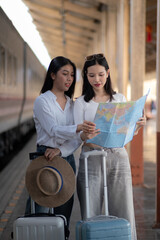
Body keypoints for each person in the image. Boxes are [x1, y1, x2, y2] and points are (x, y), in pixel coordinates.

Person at [73, 53, 146, 240]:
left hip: (118, 157)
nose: (96, 79)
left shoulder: (119, 98)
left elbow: (126, 132)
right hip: (91, 158)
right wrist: (85, 135)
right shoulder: (81, 103)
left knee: (124, 208)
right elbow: (77, 136)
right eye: (91, 75)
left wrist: (137, 125)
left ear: (108, 73)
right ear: (85, 76)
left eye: (100, 74)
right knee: (91, 209)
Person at [25, 56, 99, 231]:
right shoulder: (42, 101)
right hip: (45, 157)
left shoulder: (72, 105)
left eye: (72, 75)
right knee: (40, 209)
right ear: (52, 75)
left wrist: (65, 146)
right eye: (64, 74)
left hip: (67, 159)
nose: (69, 79)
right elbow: (53, 129)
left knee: (64, 209)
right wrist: (78, 127)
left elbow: (75, 140)